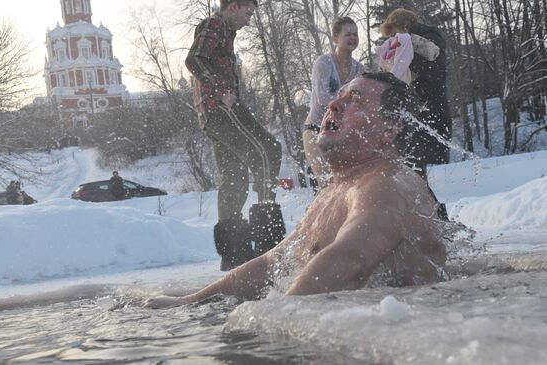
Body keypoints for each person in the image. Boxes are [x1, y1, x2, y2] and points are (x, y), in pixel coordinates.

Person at [143, 72, 449, 309]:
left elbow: (351, 257)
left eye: (354, 99)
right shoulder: (340, 187)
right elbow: (275, 261)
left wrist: (276, 317)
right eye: (337, 96)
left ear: (390, 129)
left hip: (402, 329)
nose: (333, 105)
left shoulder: (386, 184)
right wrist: (193, 301)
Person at [185, 0, 286, 271]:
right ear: (233, 8)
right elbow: (194, 59)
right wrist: (221, 89)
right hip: (221, 109)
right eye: (247, 13)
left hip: (213, 113)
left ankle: (234, 254)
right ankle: (268, 240)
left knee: (235, 177)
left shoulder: (224, 32)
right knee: (268, 150)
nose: (249, 20)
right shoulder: (215, 24)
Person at [380, 8, 452, 178]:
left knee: (417, 163)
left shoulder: (429, 36)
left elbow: (434, 67)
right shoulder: (403, 44)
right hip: (417, 109)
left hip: (432, 107)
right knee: (412, 165)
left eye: (394, 31)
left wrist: (406, 47)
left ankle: (430, 203)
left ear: (403, 25)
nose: (392, 37)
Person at [303, 17, 366, 189]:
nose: (353, 38)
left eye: (355, 34)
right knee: (327, 186)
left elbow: (360, 101)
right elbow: (322, 98)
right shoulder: (323, 63)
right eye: (348, 34)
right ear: (335, 38)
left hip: (342, 132)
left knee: (346, 186)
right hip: (316, 129)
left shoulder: (360, 69)